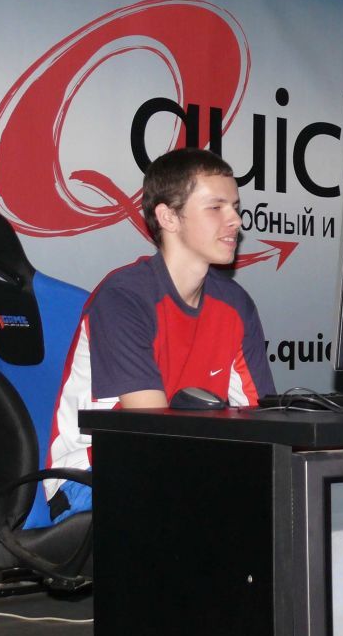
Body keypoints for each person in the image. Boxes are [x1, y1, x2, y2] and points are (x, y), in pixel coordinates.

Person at [42, 147, 276, 522]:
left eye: (235, 206)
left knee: (282, 493)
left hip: (175, 466)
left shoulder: (236, 305)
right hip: (89, 477)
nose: (235, 219)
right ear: (168, 217)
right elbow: (150, 433)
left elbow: (264, 424)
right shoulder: (123, 298)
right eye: (216, 207)